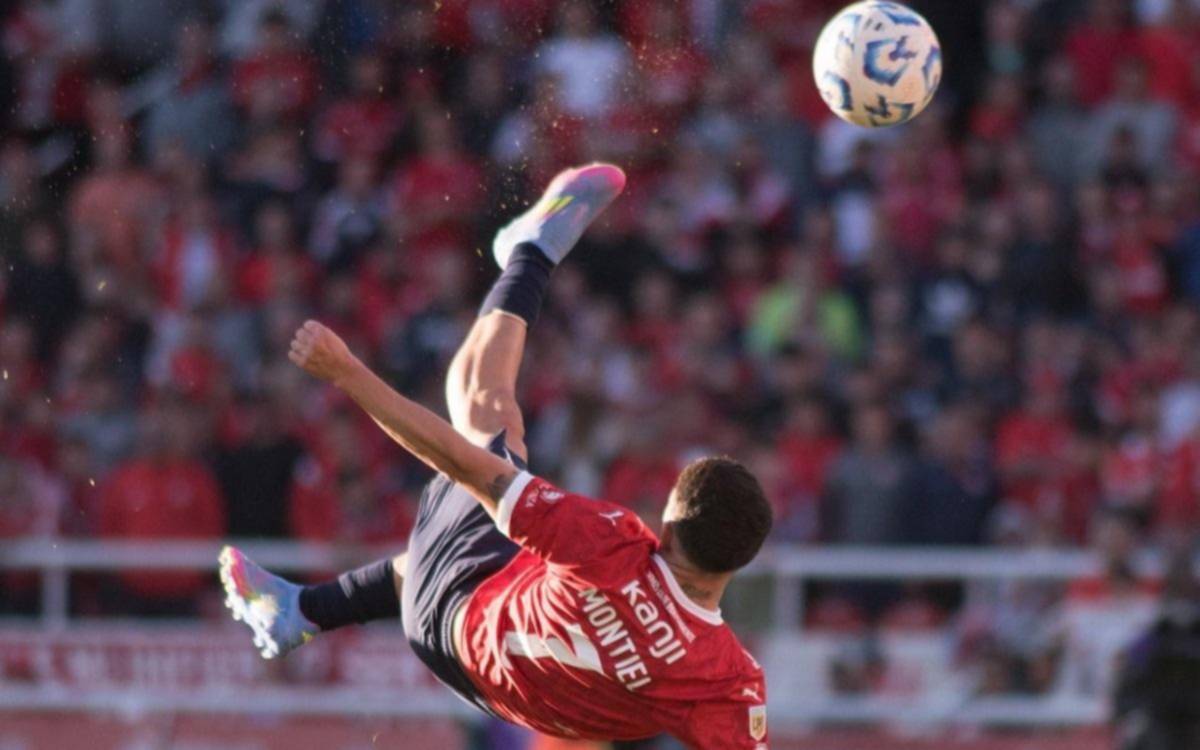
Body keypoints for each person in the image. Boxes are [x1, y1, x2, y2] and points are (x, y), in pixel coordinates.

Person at [219, 164, 774, 749]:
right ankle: (304, 610)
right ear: (740, 562)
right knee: (485, 533)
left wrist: (347, 372)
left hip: (456, 620)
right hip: (505, 691)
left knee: (488, 425)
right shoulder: (729, 682)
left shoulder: (613, 545)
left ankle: (529, 255)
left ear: (667, 523)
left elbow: (458, 462)